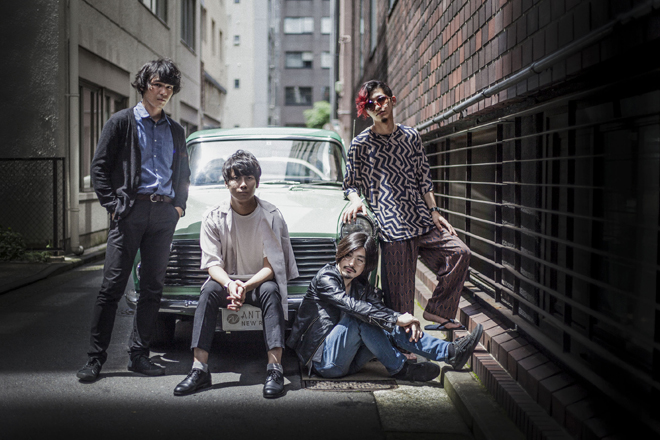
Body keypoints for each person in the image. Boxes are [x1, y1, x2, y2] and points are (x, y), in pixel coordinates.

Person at [77, 59, 190, 382]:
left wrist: (178, 207)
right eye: (157, 85)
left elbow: (183, 173)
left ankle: (139, 356)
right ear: (144, 85)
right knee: (111, 287)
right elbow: (99, 167)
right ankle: (95, 359)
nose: (163, 92)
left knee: (152, 289)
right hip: (129, 212)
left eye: (169, 87)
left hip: (163, 215)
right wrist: (113, 205)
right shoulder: (121, 122)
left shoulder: (176, 130)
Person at [341, 80, 471, 331]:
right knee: (402, 309)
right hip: (392, 230)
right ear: (366, 111)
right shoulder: (360, 144)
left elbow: (424, 178)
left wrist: (434, 211)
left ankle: (437, 311)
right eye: (370, 104)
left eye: (381, 100)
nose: (377, 107)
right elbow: (349, 184)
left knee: (459, 253)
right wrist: (355, 200)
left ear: (392, 100)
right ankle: (403, 347)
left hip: (421, 219)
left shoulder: (411, 136)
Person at [173, 150, 299, 398]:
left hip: (259, 283)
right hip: (226, 282)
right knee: (208, 291)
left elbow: (271, 266)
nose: (242, 184)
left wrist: (244, 286)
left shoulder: (272, 215)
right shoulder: (213, 216)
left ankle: (275, 369)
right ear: (226, 183)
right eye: (236, 178)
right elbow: (212, 264)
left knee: (271, 290)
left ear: (257, 181)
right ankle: (199, 369)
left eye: (249, 178)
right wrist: (231, 285)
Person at [287, 232, 482, 380]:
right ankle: (401, 368)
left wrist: (404, 320)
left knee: (383, 320)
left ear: (366, 265)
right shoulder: (325, 278)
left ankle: (450, 352)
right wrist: (396, 318)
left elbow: (381, 311)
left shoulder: (361, 287)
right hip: (323, 361)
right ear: (340, 253)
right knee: (360, 317)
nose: (351, 263)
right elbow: (351, 306)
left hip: (350, 360)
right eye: (348, 255)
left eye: (360, 260)